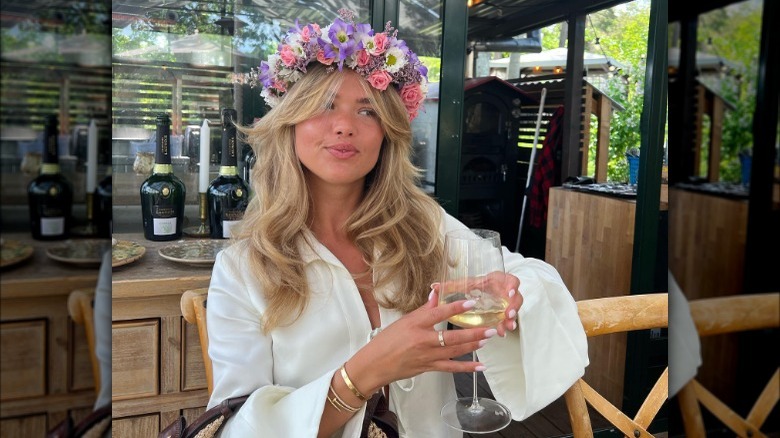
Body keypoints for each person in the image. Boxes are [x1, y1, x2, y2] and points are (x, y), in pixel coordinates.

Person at [207, 9, 588, 437]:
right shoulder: (242, 270)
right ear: (289, 121)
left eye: (367, 112)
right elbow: (233, 427)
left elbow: (525, 273)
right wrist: (362, 374)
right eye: (324, 105)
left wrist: (512, 291)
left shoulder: (422, 224)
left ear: (388, 131)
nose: (344, 127)